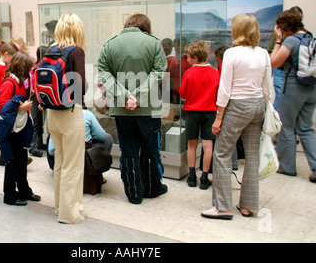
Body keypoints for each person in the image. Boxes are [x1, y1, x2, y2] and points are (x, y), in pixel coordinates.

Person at [201, 14, 269, 220]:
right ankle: (248, 205)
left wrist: (219, 117)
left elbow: (225, 89)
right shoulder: (264, 53)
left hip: (237, 106)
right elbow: (267, 87)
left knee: (222, 153)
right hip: (258, 105)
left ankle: (222, 207)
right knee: (252, 155)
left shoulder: (231, 54)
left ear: (237, 30)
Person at [98, 13, 168, 205]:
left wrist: (124, 97)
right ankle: (152, 188)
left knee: (128, 150)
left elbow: (103, 74)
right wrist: (137, 96)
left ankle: (134, 193)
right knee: (151, 150)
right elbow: (158, 72)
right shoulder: (154, 44)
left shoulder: (110, 45)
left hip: (122, 110)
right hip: (149, 108)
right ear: (146, 26)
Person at [44, 12, 87, 224]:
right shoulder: (76, 52)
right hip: (71, 113)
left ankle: (60, 208)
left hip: (52, 113)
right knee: (74, 164)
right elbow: (81, 88)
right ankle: (70, 214)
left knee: (60, 161)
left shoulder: (50, 50)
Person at [270, 8, 316, 183]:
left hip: (294, 88)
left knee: (286, 127)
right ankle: (315, 166)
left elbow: (274, 62)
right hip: (311, 87)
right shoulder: (309, 37)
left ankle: (287, 167)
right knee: (306, 128)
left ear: (285, 27)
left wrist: (279, 41)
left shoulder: (291, 41)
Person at [0, 51, 40, 206]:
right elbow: (2, 105)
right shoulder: (10, 83)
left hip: (19, 127)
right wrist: (21, 107)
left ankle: (23, 190)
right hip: (13, 129)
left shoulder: (20, 82)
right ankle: (9, 194)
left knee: (21, 161)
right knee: (12, 161)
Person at [178, 41, 219, 190]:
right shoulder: (214, 73)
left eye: (188, 57)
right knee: (208, 145)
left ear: (195, 57)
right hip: (209, 112)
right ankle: (204, 177)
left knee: (191, 144)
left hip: (192, 113)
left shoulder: (189, 73)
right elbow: (218, 94)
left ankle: (191, 176)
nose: (187, 60)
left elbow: (182, 93)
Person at [47, 108, 113, 194]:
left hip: (67, 160)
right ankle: (97, 171)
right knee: (108, 138)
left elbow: (51, 150)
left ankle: (59, 172)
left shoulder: (56, 117)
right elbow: (102, 136)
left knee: (50, 140)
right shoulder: (86, 114)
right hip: (86, 159)